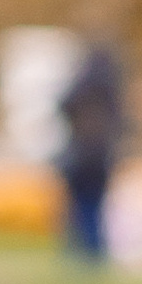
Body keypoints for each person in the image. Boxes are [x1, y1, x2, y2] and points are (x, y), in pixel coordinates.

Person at [57, 39, 128, 262]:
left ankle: (82, 253)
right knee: (96, 206)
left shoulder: (83, 84)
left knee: (81, 205)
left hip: (81, 154)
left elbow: (64, 104)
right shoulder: (112, 89)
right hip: (103, 155)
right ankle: (95, 252)